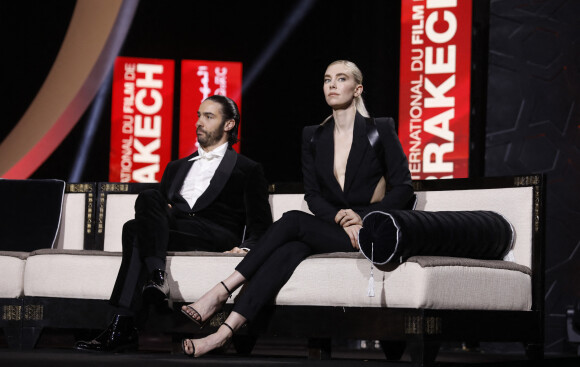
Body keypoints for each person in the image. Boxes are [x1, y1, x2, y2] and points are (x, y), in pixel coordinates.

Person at [180, 60, 414, 357]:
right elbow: (313, 196)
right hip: (334, 226)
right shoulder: (313, 135)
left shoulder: (380, 129)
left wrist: (363, 217)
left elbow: (404, 188)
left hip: (368, 228)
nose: (331, 84)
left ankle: (220, 291)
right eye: (327, 78)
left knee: (291, 221)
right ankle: (223, 334)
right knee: (287, 251)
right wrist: (341, 218)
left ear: (357, 89)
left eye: (341, 79)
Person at [74, 95, 273, 352]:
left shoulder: (248, 169)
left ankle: (123, 323)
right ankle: (157, 278)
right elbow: (157, 211)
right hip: (177, 228)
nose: (199, 122)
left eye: (208, 116)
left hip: (215, 234)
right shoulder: (176, 166)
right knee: (146, 202)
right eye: (199, 115)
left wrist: (246, 249)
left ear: (229, 125)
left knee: (134, 230)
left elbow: (261, 224)